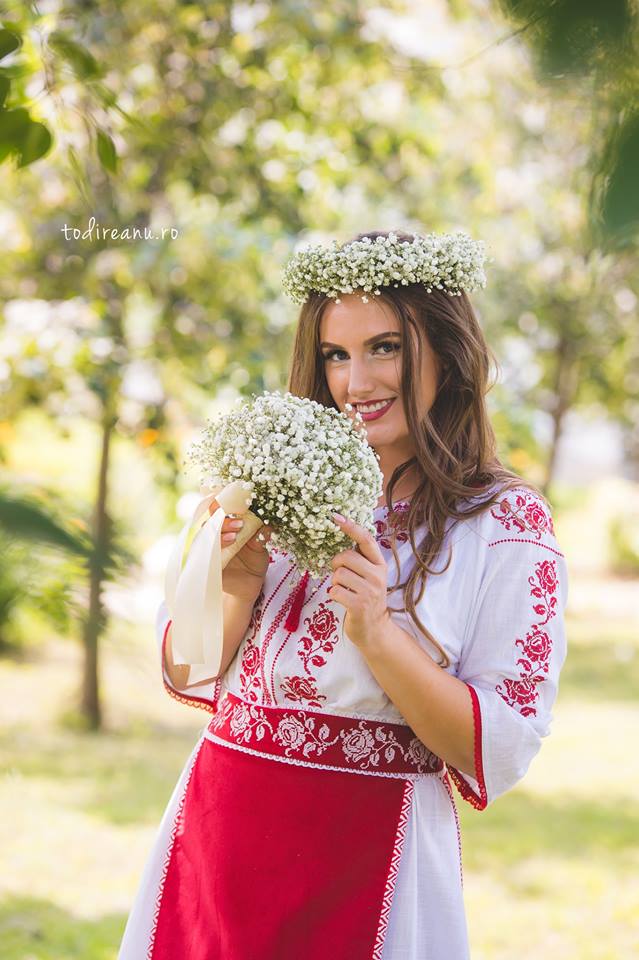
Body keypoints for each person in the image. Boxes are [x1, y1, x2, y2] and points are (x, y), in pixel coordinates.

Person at [118, 230, 568, 960]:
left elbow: (500, 746)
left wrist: (378, 636)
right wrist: (235, 587)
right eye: (335, 354)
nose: (356, 382)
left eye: (384, 348)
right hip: (215, 842)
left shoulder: (504, 524)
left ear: (447, 351)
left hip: (370, 863)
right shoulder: (270, 483)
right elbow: (183, 670)